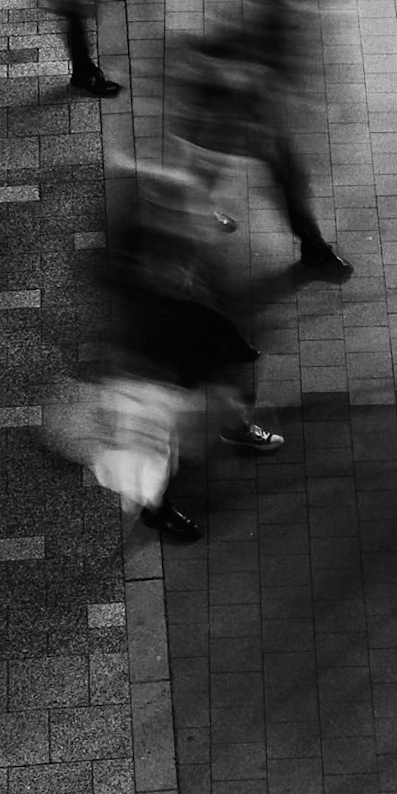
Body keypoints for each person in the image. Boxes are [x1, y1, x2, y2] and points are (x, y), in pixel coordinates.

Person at [101, 139, 283, 543]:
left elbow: (207, 228)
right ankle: (156, 509)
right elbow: (132, 289)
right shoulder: (135, 245)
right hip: (155, 351)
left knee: (219, 388)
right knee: (157, 436)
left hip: (187, 336)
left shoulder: (175, 214)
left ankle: (235, 429)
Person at [187, 0, 349, 282]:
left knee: (277, 174)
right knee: (232, 169)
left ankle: (313, 247)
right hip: (236, 102)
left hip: (254, 103)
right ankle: (311, 249)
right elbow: (217, 47)